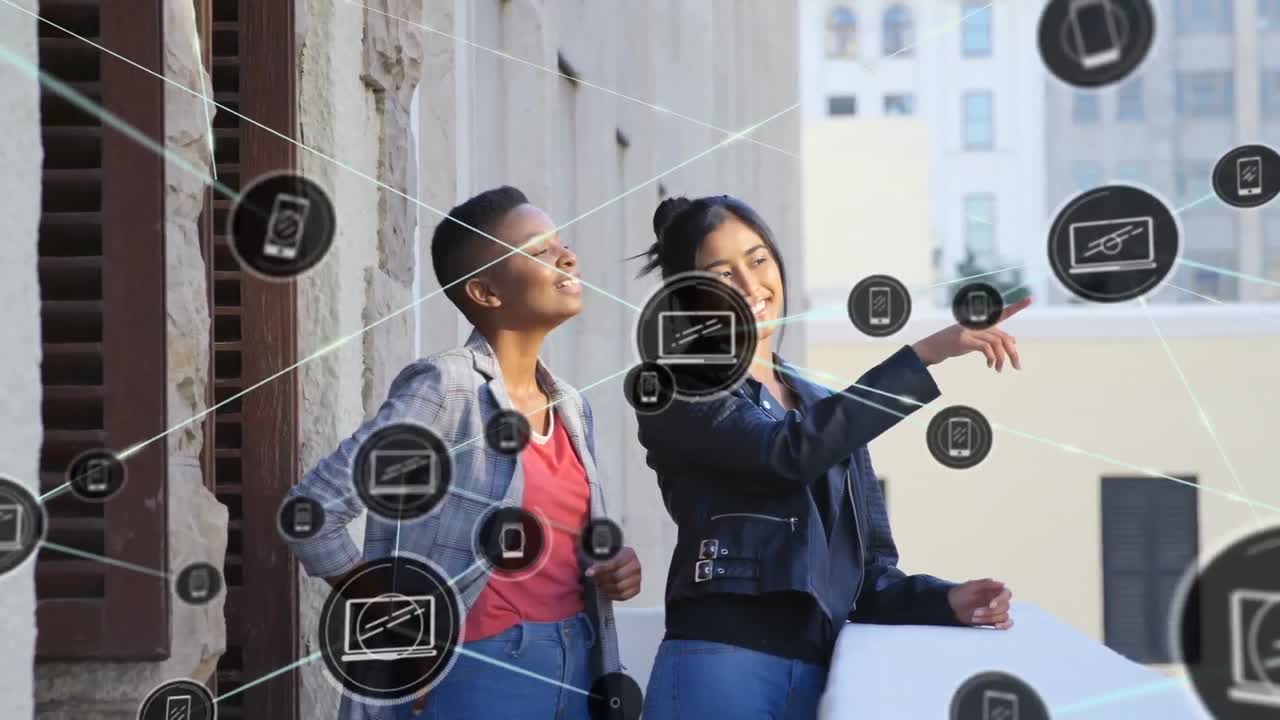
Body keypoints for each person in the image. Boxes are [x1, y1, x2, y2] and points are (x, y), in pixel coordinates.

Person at [632, 195, 1027, 720]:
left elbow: (869, 575)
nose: (751, 286)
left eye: (758, 260)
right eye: (721, 274)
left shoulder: (820, 405)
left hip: (819, 675)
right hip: (720, 665)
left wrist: (947, 601)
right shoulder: (679, 386)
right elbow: (783, 453)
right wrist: (924, 355)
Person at [284, 186, 642, 720]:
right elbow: (311, 513)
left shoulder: (571, 406)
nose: (568, 257)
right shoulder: (446, 387)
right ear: (486, 292)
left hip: (582, 661)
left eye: (562, 244)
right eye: (540, 250)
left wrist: (614, 566)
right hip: (481, 668)